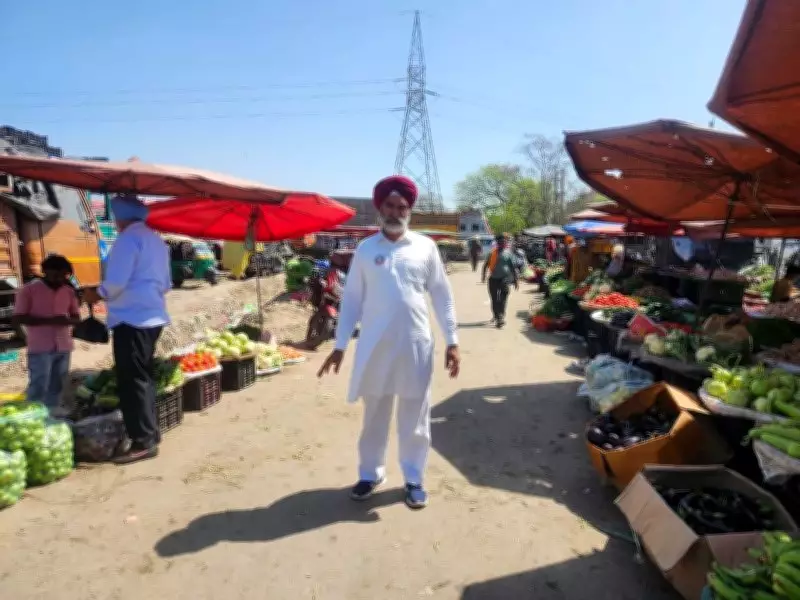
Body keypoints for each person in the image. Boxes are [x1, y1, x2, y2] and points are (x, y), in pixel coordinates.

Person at [317, 175, 460, 510]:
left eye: (402, 207)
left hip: (415, 345)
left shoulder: (425, 247)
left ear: (410, 210)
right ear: (380, 209)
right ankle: (371, 474)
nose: (396, 212)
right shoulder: (367, 250)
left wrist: (452, 340)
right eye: (390, 206)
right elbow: (352, 300)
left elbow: (442, 295)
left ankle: (414, 479)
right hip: (375, 346)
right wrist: (340, 345)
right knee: (374, 416)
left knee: (415, 416)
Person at [83, 194, 171, 465]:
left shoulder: (127, 240)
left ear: (120, 217)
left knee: (133, 381)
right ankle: (150, 434)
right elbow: (167, 284)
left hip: (132, 319)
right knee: (142, 377)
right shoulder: (156, 240)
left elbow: (116, 282)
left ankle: (143, 442)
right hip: (152, 316)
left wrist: (96, 293)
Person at [12, 255, 81, 410]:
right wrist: (50, 321)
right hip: (40, 346)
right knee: (39, 385)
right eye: (57, 275)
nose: (60, 279)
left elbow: (76, 317)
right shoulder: (29, 290)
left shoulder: (68, 292)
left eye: (64, 276)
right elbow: (17, 319)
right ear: (46, 271)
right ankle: (32, 414)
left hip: (63, 346)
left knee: (58, 385)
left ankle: (52, 414)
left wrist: (68, 321)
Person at [482, 233, 519, 328]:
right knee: (494, 300)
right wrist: (483, 276)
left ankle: (500, 318)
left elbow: (513, 267)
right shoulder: (492, 253)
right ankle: (496, 315)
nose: (502, 243)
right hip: (493, 280)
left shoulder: (508, 253)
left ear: (505, 242)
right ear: (497, 243)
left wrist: (516, 280)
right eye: (500, 241)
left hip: (505, 279)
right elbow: (485, 265)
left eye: (503, 241)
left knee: (503, 299)